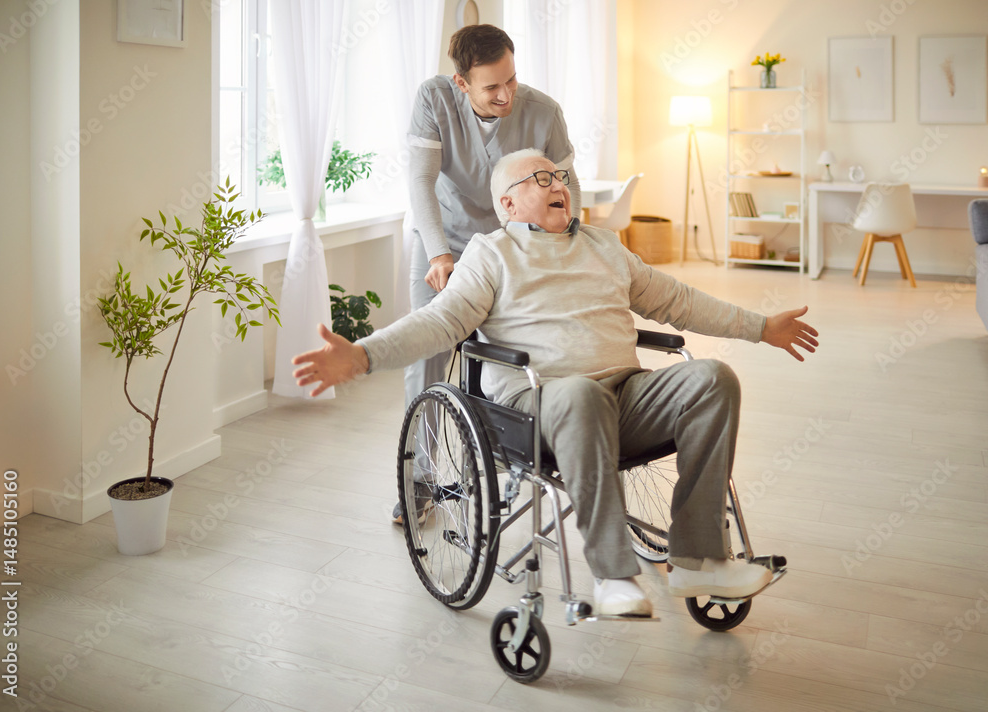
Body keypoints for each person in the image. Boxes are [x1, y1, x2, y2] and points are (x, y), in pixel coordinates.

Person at [292, 149, 819, 617]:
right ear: (507, 204)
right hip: (534, 411)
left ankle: (699, 558)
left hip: (623, 395)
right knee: (580, 393)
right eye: (539, 178)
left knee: (712, 378)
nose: (557, 184)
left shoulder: (604, 246)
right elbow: (441, 321)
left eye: (560, 176)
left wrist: (760, 326)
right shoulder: (491, 253)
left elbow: (680, 301)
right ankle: (613, 574)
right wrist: (362, 355)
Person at [399, 24, 580, 524]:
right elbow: (420, 180)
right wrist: (438, 253)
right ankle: (418, 479)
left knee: (511, 351)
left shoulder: (543, 112)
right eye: (492, 87)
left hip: (511, 245)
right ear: (462, 83)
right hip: (446, 238)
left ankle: (502, 462)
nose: (506, 94)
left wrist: (567, 251)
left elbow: (567, 191)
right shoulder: (434, 99)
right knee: (427, 353)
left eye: (512, 80)